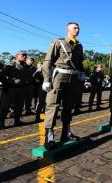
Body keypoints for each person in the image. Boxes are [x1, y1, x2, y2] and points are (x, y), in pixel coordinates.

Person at [42, 22, 86, 150]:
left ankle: (66, 132)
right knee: (53, 105)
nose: (77, 30)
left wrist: (82, 73)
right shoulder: (58, 42)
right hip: (59, 76)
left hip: (72, 77)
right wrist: (46, 79)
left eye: (78, 28)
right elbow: (47, 61)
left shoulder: (79, 46)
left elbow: (80, 62)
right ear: (67, 29)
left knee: (68, 105)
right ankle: (49, 136)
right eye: (74, 28)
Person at [0, 51, 32, 129]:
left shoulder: (26, 66)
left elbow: (28, 76)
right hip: (10, 89)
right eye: (22, 55)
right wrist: (11, 81)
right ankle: (1, 123)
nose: (25, 57)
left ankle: (17, 121)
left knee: (19, 106)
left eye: (25, 55)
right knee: (5, 106)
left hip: (21, 89)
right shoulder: (10, 64)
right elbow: (1, 76)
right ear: (17, 56)